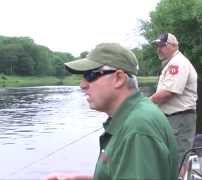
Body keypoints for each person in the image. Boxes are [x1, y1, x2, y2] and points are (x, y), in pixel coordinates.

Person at [45, 43, 178, 180]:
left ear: (119, 78)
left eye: (90, 75)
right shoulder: (134, 116)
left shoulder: (137, 128)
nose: (82, 85)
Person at [150, 33, 198, 168]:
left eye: (162, 45)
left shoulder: (177, 63)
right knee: (171, 156)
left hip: (179, 118)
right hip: (173, 118)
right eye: (157, 46)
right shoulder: (172, 63)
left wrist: (143, 104)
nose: (159, 49)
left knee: (178, 158)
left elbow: (168, 93)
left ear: (174, 46)